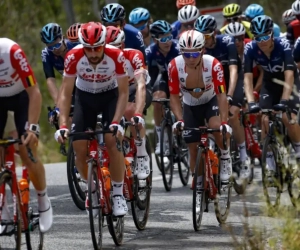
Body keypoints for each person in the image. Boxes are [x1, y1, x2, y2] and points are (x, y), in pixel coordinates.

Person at [55, 22, 129, 217]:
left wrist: (116, 121)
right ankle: (93, 188)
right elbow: (65, 93)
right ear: (82, 46)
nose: (94, 53)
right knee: (78, 148)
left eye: (97, 48)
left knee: (112, 142)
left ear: (104, 44)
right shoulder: (73, 57)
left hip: (110, 96)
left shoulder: (116, 56)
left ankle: (119, 193)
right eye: (89, 49)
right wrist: (63, 125)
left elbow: (123, 93)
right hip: (84, 98)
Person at [0, 38, 52, 233]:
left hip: (22, 96)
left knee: (26, 148)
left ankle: (42, 200)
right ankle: (3, 208)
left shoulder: (11, 51)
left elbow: (35, 92)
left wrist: (32, 128)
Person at [168, 29, 232, 182]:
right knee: (192, 146)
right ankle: (198, 182)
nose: (190, 58)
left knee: (217, 128)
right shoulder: (174, 66)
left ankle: (225, 156)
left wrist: (224, 122)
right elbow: (174, 96)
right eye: (186, 54)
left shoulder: (214, 65)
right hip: (190, 104)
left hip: (211, 101)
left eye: (195, 54)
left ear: (203, 50)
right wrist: (179, 119)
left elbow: (221, 95)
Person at [195, 15, 251, 179]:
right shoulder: (198, 47)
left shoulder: (227, 42)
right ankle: (214, 148)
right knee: (209, 116)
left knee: (232, 114)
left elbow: (233, 70)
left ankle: (243, 155)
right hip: (212, 83)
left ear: (213, 33)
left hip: (231, 80)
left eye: (206, 36)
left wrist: (230, 95)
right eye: (200, 36)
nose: (203, 40)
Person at [244, 15, 300, 174]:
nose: (262, 41)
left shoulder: (284, 45)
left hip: (289, 81)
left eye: (265, 36)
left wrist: (283, 101)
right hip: (270, 83)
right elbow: (247, 78)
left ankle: (298, 149)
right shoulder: (251, 48)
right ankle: (270, 163)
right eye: (257, 37)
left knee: (286, 117)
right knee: (264, 117)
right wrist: (251, 102)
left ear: (271, 34)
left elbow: (289, 75)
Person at [105, 26, 152, 179]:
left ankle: (142, 153)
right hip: (114, 93)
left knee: (131, 111)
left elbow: (140, 85)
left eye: (115, 48)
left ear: (122, 46)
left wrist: (138, 113)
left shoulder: (134, 55)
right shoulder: (98, 60)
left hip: (136, 89)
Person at [146, 20, 180, 155]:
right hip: (162, 76)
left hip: (179, 76)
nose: (168, 42)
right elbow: (146, 75)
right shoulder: (149, 52)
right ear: (155, 40)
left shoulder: (178, 48)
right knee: (158, 100)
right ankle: (161, 139)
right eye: (164, 39)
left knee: (181, 100)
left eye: (170, 37)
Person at [40, 23, 79, 109]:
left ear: (63, 37)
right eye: (50, 47)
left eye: (57, 44)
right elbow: (50, 80)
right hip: (71, 86)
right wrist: (57, 105)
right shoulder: (46, 54)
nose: (55, 49)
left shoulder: (74, 46)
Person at [224, 22, 263, 92]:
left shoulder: (252, 46)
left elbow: (263, 72)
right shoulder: (225, 50)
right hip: (236, 83)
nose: (236, 42)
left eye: (239, 38)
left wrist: (255, 92)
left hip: (254, 80)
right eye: (233, 39)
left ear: (243, 37)